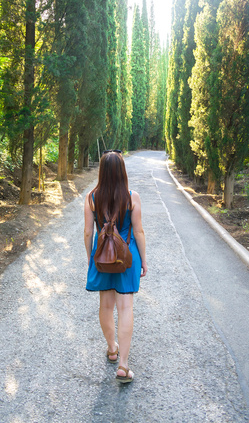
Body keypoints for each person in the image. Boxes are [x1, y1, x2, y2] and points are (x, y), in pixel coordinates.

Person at [84, 150, 147, 383]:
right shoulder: (132, 197)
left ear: (101, 171)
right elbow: (138, 231)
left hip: (103, 257)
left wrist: (90, 258)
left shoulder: (91, 197)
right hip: (126, 257)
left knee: (106, 305)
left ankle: (112, 349)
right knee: (126, 307)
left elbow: (88, 232)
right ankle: (123, 366)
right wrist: (144, 259)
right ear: (122, 171)